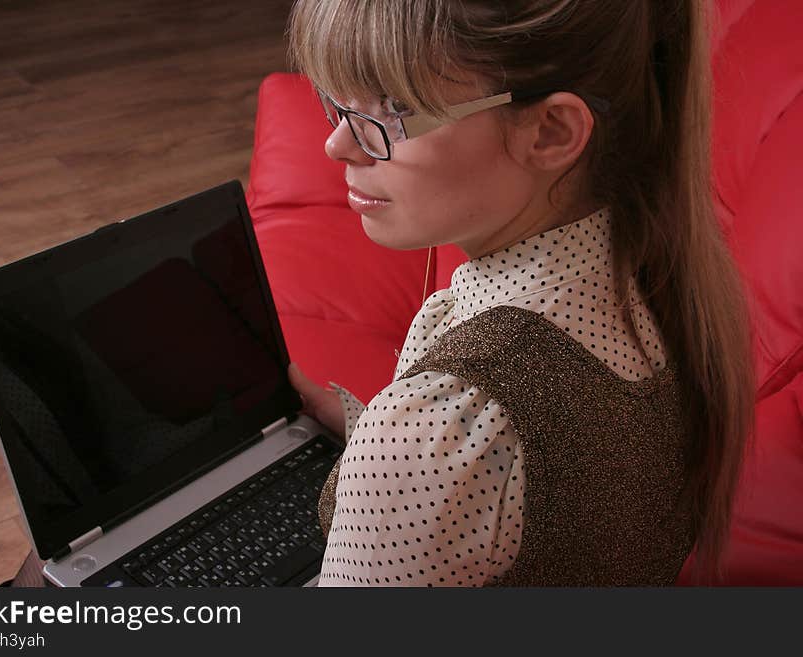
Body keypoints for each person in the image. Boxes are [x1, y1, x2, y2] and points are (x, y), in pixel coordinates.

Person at [284, 0, 755, 586]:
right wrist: (363, 431)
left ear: (551, 131)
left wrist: (395, 447)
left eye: (396, 109)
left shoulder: (446, 424)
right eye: (340, 102)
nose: (338, 145)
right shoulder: (663, 291)